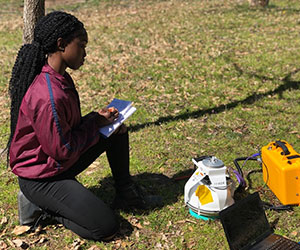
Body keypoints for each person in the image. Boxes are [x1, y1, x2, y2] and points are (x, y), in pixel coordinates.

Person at [7, 11, 161, 241]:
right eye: (81, 45)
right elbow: (63, 150)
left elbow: (67, 134)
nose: (85, 53)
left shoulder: (61, 78)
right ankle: (45, 209)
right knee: (106, 226)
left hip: (57, 163)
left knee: (115, 129)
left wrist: (96, 121)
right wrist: (93, 125)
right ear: (61, 44)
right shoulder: (47, 95)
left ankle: (126, 194)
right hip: (42, 177)